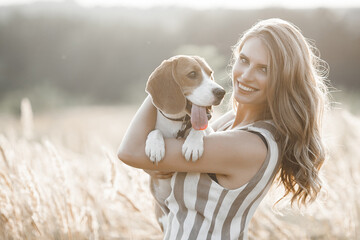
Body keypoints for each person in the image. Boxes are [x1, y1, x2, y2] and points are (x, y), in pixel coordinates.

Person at [117, 18, 329, 240]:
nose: (246, 75)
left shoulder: (250, 144)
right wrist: (168, 82)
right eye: (244, 60)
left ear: (283, 80)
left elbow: (130, 151)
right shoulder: (228, 122)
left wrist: (168, 81)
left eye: (263, 69)